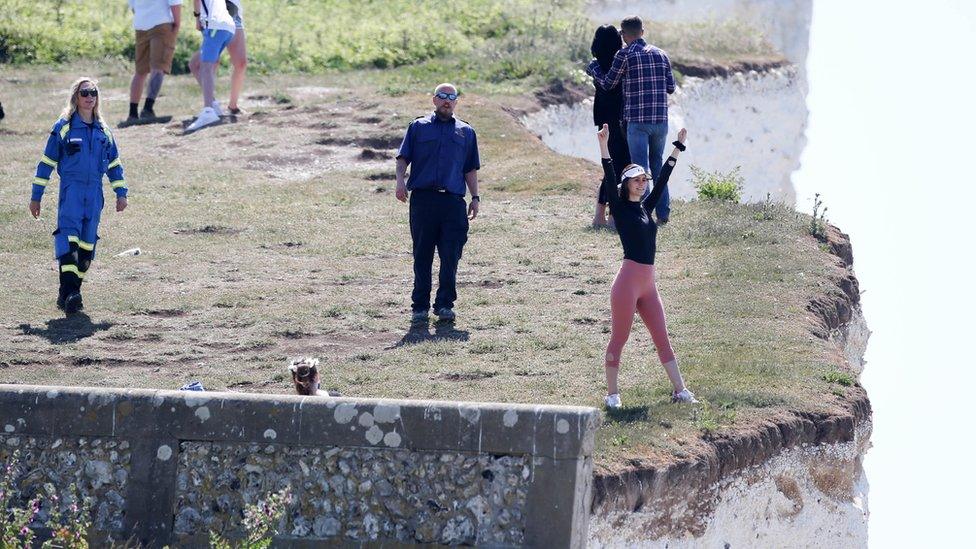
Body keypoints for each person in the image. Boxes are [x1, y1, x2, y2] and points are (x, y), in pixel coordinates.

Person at [595, 122, 695, 408]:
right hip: (627, 282)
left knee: (662, 337)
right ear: (626, 184)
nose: (641, 183)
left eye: (643, 180)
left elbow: (662, 178)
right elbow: (608, 171)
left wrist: (678, 146)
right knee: (620, 338)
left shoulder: (644, 208)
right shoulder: (620, 206)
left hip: (648, 285)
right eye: (636, 180)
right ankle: (612, 394)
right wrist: (604, 145)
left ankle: (680, 391)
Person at [30, 78, 128, 314]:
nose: (89, 96)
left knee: (86, 248)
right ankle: (73, 293)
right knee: (68, 240)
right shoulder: (63, 126)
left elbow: (114, 164)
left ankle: (67, 293)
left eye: (93, 92)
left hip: (95, 195)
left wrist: (121, 192)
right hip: (71, 192)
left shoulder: (104, 131)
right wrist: (36, 196)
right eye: (84, 92)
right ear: (76, 97)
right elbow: (46, 163)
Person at [395, 83, 481, 323]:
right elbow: (403, 158)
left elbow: (470, 168)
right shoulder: (418, 127)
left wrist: (474, 197)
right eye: (442, 96)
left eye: (452, 97)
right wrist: (400, 182)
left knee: (451, 254)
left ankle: (444, 305)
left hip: (453, 202)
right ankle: (419, 306)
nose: (447, 101)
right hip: (423, 200)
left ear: (456, 102)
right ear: (434, 100)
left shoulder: (466, 132)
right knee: (422, 254)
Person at [587, 15, 676, 224]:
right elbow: (670, 87)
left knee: (626, 168)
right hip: (643, 121)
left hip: (623, 121)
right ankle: (655, 215)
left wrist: (593, 68)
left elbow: (608, 84)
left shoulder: (618, 58)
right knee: (649, 167)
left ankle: (622, 215)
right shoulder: (656, 54)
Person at [590, 24, 631, 228]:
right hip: (619, 118)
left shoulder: (596, 64)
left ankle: (599, 215)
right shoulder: (621, 60)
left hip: (602, 115)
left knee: (610, 165)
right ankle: (613, 216)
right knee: (620, 165)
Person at [188, 0, 248, 115]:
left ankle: (232, 106)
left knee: (241, 63)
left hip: (233, 13)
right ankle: (212, 104)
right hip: (213, 17)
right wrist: (197, 16)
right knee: (207, 63)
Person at [127, 0, 182, 122]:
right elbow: (175, 4)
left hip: (141, 26)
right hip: (161, 24)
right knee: (158, 68)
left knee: (140, 72)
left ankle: (132, 112)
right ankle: (148, 108)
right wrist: (176, 27)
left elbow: (133, 8)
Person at [185, 0, 236, 132]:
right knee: (195, 64)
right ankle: (213, 105)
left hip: (215, 25)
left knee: (205, 66)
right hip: (227, 27)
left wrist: (197, 17)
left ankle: (208, 112)